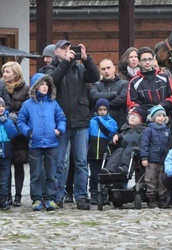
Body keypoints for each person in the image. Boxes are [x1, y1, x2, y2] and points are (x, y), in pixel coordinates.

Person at [49, 39, 99, 211]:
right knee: (61, 161)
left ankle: (81, 197)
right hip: (62, 121)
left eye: (69, 49)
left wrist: (86, 58)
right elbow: (52, 81)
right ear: (56, 51)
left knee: (81, 161)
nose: (67, 51)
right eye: (63, 49)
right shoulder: (53, 68)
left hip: (81, 119)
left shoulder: (80, 68)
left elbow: (95, 76)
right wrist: (65, 63)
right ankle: (58, 196)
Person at [17, 73, 66, 212]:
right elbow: (21, 121)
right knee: (36, 174)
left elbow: (61, 119)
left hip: (51, 143)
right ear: (35, 86)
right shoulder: (28, 105)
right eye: (41, 84)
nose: (44, 87)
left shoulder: (53, 103)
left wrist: (59, 130)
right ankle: (37, 199)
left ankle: (51, 198)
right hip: (35, 144)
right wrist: (28, 132)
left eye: (46, 84)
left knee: (51, 174)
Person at [2, 62, 29, 208]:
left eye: (8, 72)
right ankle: (7, 195)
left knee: (19, 164)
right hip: (5, 128)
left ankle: (18, 195)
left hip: (19, 130)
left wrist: (15, 117)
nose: (4, 74)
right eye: (4, 72)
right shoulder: (1, 87)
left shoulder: (25, 89)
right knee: (6, 164)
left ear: (16, 74)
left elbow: (26, 110)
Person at [126, 46, 172, 119]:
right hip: (144, 120)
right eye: (144, 60)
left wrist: (161, 106)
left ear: (154, 60)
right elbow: (132, 103)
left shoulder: (164, 77)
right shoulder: (134, 82)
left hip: (164, 117)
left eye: (150, 59)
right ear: (139, 62)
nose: (147, 62)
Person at [87, 98, 118, 205]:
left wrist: (100, 120)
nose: (102, 112)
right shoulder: (92, 122)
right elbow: (87, 135)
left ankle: (104, 195)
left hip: (105, 153)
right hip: (93, 153)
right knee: (94, 176)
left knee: (105, 176)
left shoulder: (111, 121)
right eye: (100, 109)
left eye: (104, 109)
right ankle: (94, 194)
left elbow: (111, 131)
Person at [140, 105, 170, 208]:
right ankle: (151, 198)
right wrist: (144, 157)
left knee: (162, 180)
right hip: (152, 159)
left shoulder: (166, 130)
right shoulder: (148, 130)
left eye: (163, 115)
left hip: (163, 160)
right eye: (158, 116)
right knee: (151, 179)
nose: (161, 117)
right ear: (153, 117)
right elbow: (144, 145)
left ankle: (162, 198)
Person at [105, 106, 147, 178]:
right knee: (119, 150)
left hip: (137, 153)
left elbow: (144, 145)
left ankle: (125, 168)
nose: (133, 117)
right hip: (124, 152)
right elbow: (117, 145)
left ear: (141, 121)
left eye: (136, 116)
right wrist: (117, 137)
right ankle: (109, 169)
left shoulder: (144, 131)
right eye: (132, 115)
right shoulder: (124, 130)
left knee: (129, 150)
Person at [90, 58, 128, 129]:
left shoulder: (124, 84)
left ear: (114, 68)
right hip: (100, 127)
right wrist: (113, 94)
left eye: (108, 68)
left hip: (120, 125)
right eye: (103, 69)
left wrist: (101, 105)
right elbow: (94, 96)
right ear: (100, 71)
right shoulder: (96, 85)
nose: (106, 71)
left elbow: (122, 99)